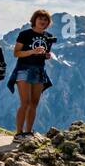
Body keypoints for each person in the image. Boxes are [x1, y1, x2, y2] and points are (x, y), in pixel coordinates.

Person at [9, 9, 54, 138]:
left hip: (39, 70)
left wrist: (46, 56)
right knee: (25, 102)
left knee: (34, 103)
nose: (43, 21)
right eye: (40, 19)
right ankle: (18, 133)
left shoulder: (48, 36)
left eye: (45, 20)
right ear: (34, 20)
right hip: (24, 69)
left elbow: (44, 54)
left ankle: (28, 131)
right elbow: (16, 53)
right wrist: (32, 51)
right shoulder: (25, 34)